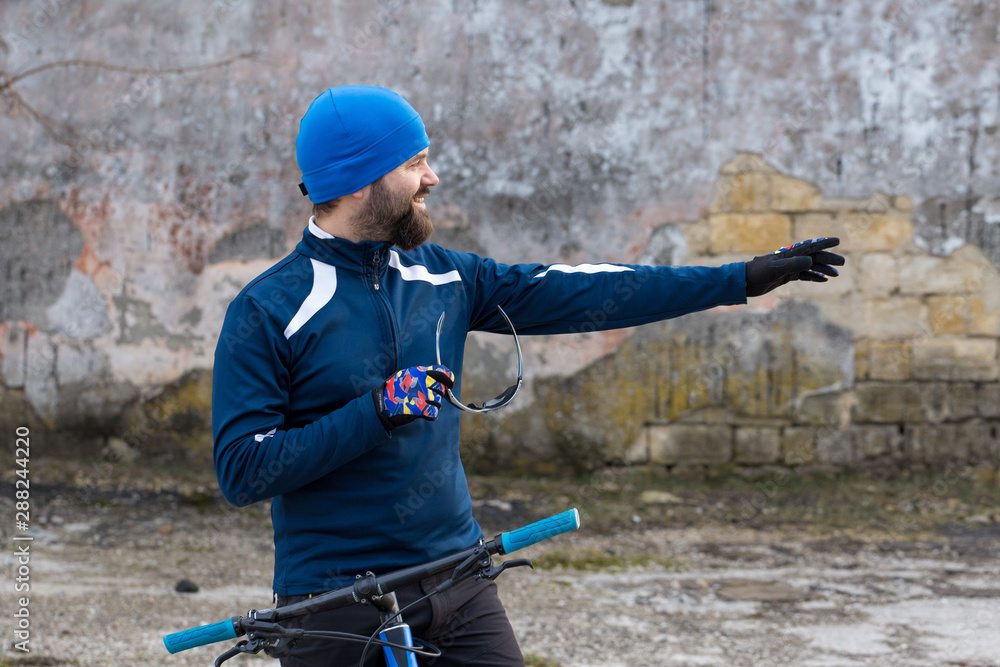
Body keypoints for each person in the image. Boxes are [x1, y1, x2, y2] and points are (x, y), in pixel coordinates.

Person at [211, 85, 844, 666]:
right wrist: (375, 411)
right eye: (413, 163)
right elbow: (242, 470)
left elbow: (592, 289)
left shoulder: (445, 275)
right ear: (356, 179)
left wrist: (739, 278)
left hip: (459, 579)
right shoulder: (268, 309)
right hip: (334, 609)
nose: (431, 177)